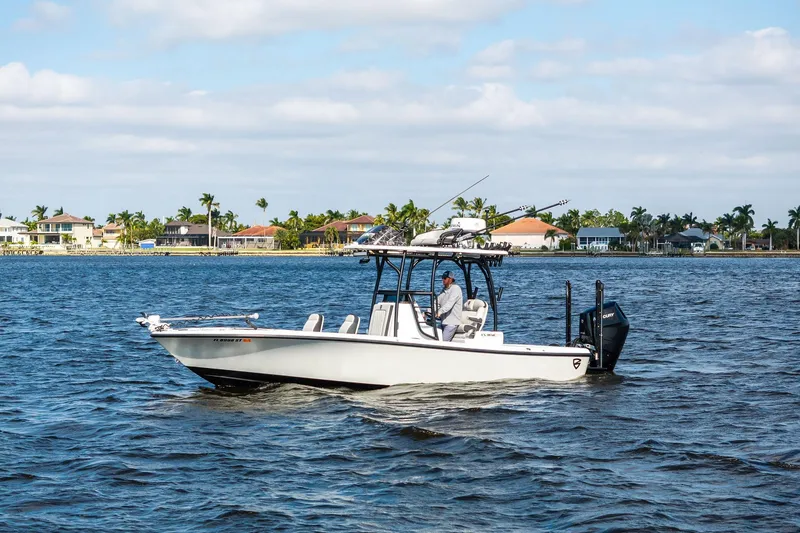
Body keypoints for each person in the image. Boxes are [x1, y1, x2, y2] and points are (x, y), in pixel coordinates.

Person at [436, 270, 463, 341]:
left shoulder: (456, 289)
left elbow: (449, 304)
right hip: (443, 322)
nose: (443, 280)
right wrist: (428, 311)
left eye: (445, 278)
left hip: (451, 323)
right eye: (442, 278)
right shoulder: (443, 291)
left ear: (450, 279)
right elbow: (436, 303)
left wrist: (440, 312)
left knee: (443, 342)